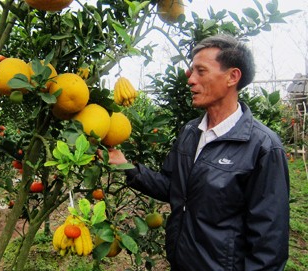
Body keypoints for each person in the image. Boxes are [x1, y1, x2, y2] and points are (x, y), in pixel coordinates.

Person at [103, 34, 290, 270]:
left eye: (201, 71)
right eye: (192, 72)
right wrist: (126, 165)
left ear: (233, 76)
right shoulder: (191, 132)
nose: (190, 80)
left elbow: (269, 245)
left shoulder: (262, 147)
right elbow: (174, 188)